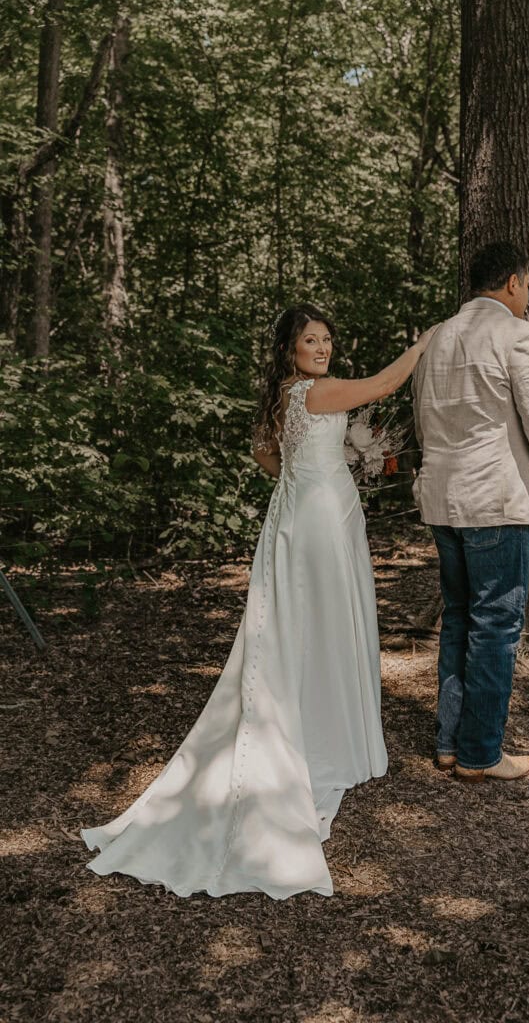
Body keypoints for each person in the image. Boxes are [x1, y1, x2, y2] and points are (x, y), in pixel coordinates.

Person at [81, 303, 435, 899]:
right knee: (323, 621)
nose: (322, 349)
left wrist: (308, 471)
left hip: (303, 511)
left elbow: (263, 454)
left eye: (326, 340)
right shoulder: (318, 393)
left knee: (301, 623)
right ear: (290, 347)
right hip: (320, 518)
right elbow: (383, 384)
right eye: (310, 340)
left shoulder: (284, 395)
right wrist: (422, 344)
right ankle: (324, 736)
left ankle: (318, 718)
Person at [412, 241, 529, 784]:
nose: (527, 295)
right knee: (497, 627)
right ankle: (480, 753)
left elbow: (424, 420)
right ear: (513, 281)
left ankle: (449, 742)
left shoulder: (435, 337)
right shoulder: (517, 335)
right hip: (498, 501)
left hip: (443, 499)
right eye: (528, 285)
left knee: (460, 617)